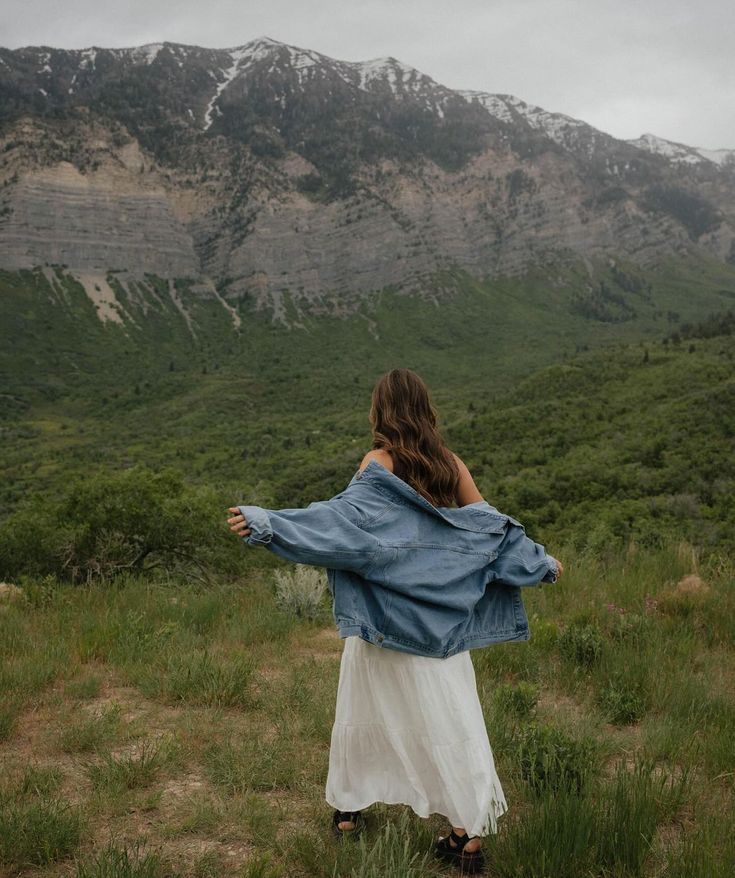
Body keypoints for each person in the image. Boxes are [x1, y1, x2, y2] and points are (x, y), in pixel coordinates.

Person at [228, 367, 563, 874]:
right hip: (442, 632)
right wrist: (543, 563)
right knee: (451, 725)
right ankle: (465, 838)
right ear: (427, 409)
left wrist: (269, 522)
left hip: (385, 625)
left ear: (380, 413)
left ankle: (349, 810)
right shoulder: (452, 466)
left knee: (367, 714)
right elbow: (493, 533)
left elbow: (338, 525)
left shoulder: (376, 464)